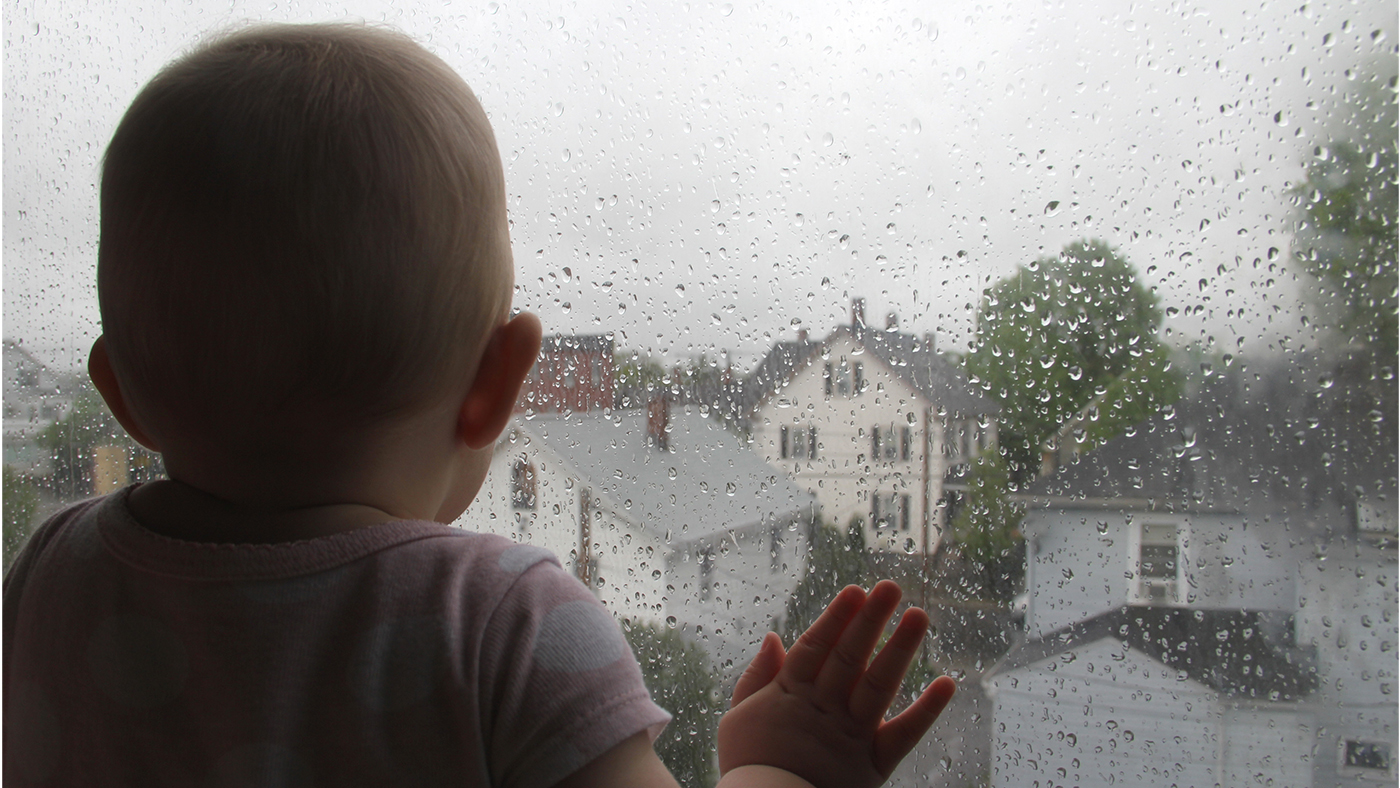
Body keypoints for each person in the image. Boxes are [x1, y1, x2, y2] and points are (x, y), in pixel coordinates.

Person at [2, 23, 956, 787]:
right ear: (499, 388)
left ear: (121, 396)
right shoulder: (501, 625)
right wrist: (781, 768)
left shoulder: (49, 571)